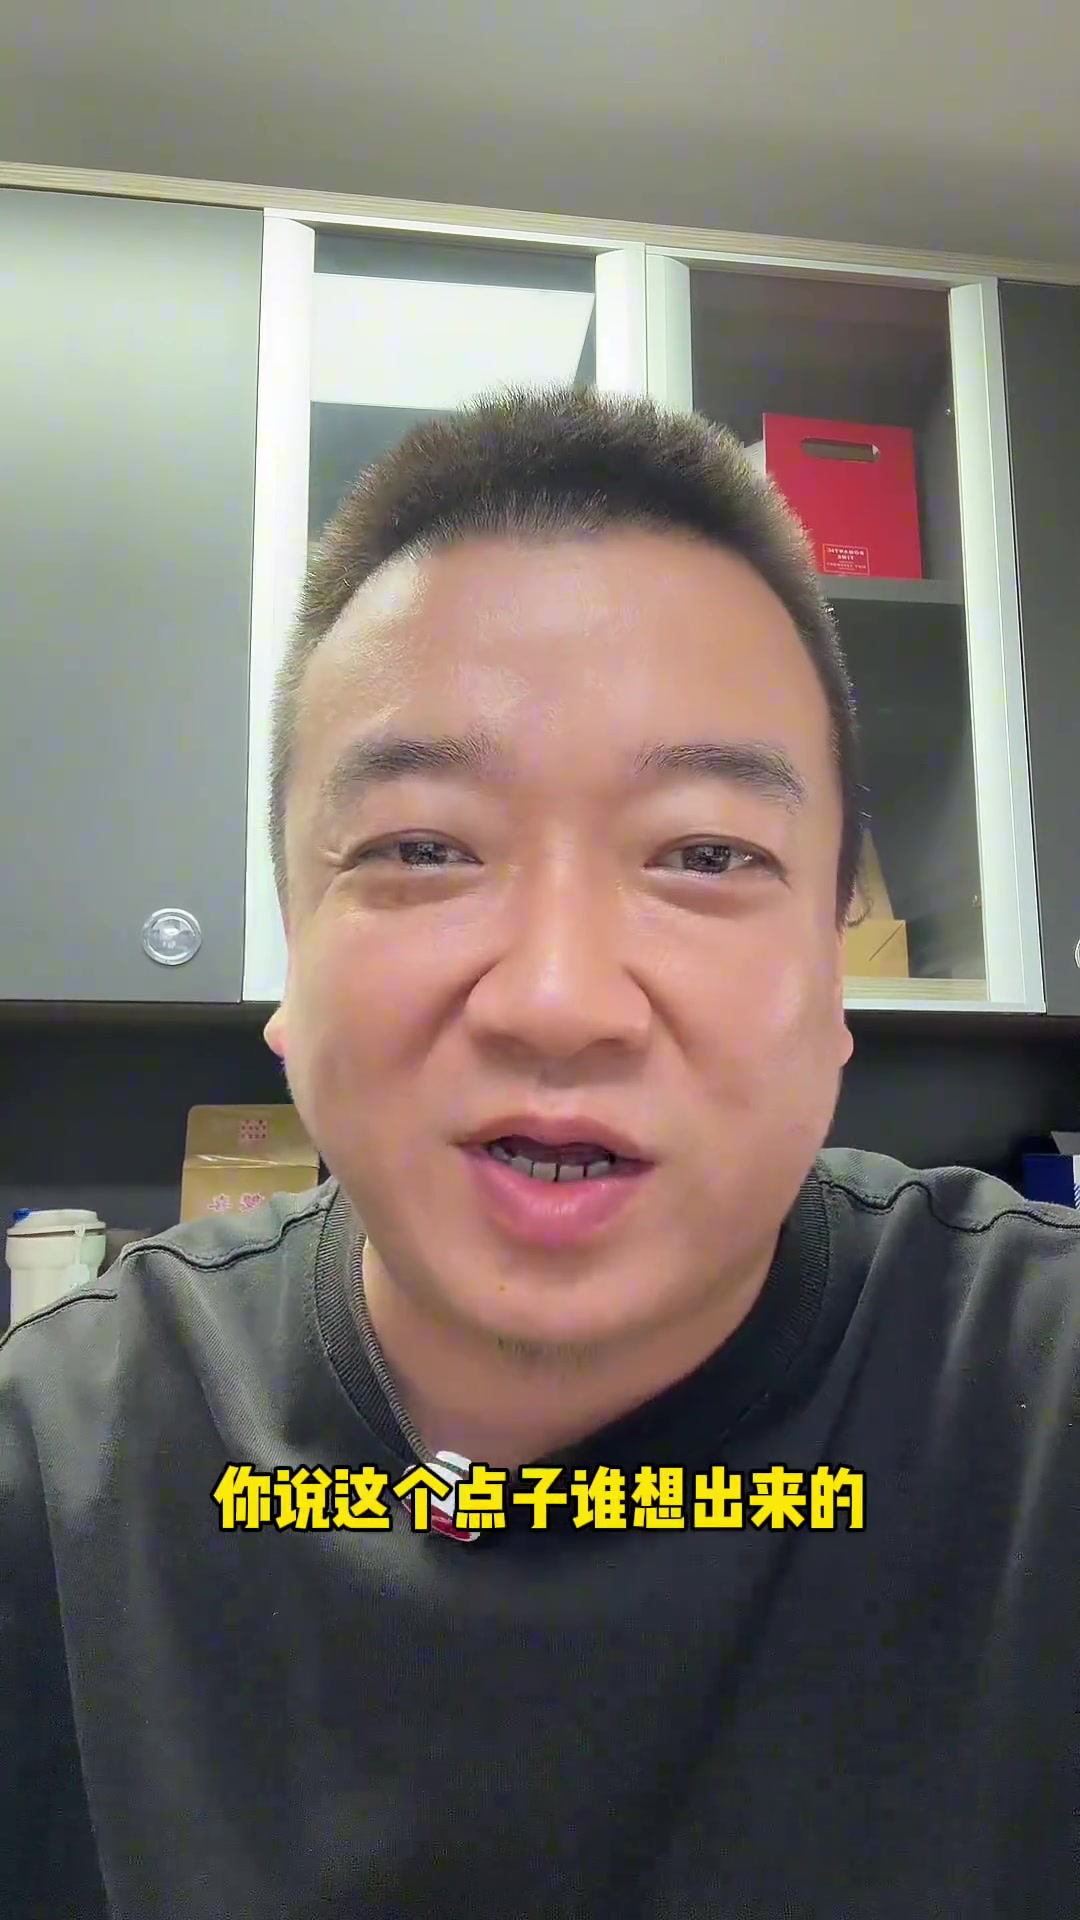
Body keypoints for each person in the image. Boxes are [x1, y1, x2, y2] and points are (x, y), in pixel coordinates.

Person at [1, 387, 1075, 1920]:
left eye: (706, 854)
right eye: (422, 849)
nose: (559, 999)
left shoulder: (1038, 1413)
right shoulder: (63, 1473)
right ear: (292, 956)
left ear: (837, 977)